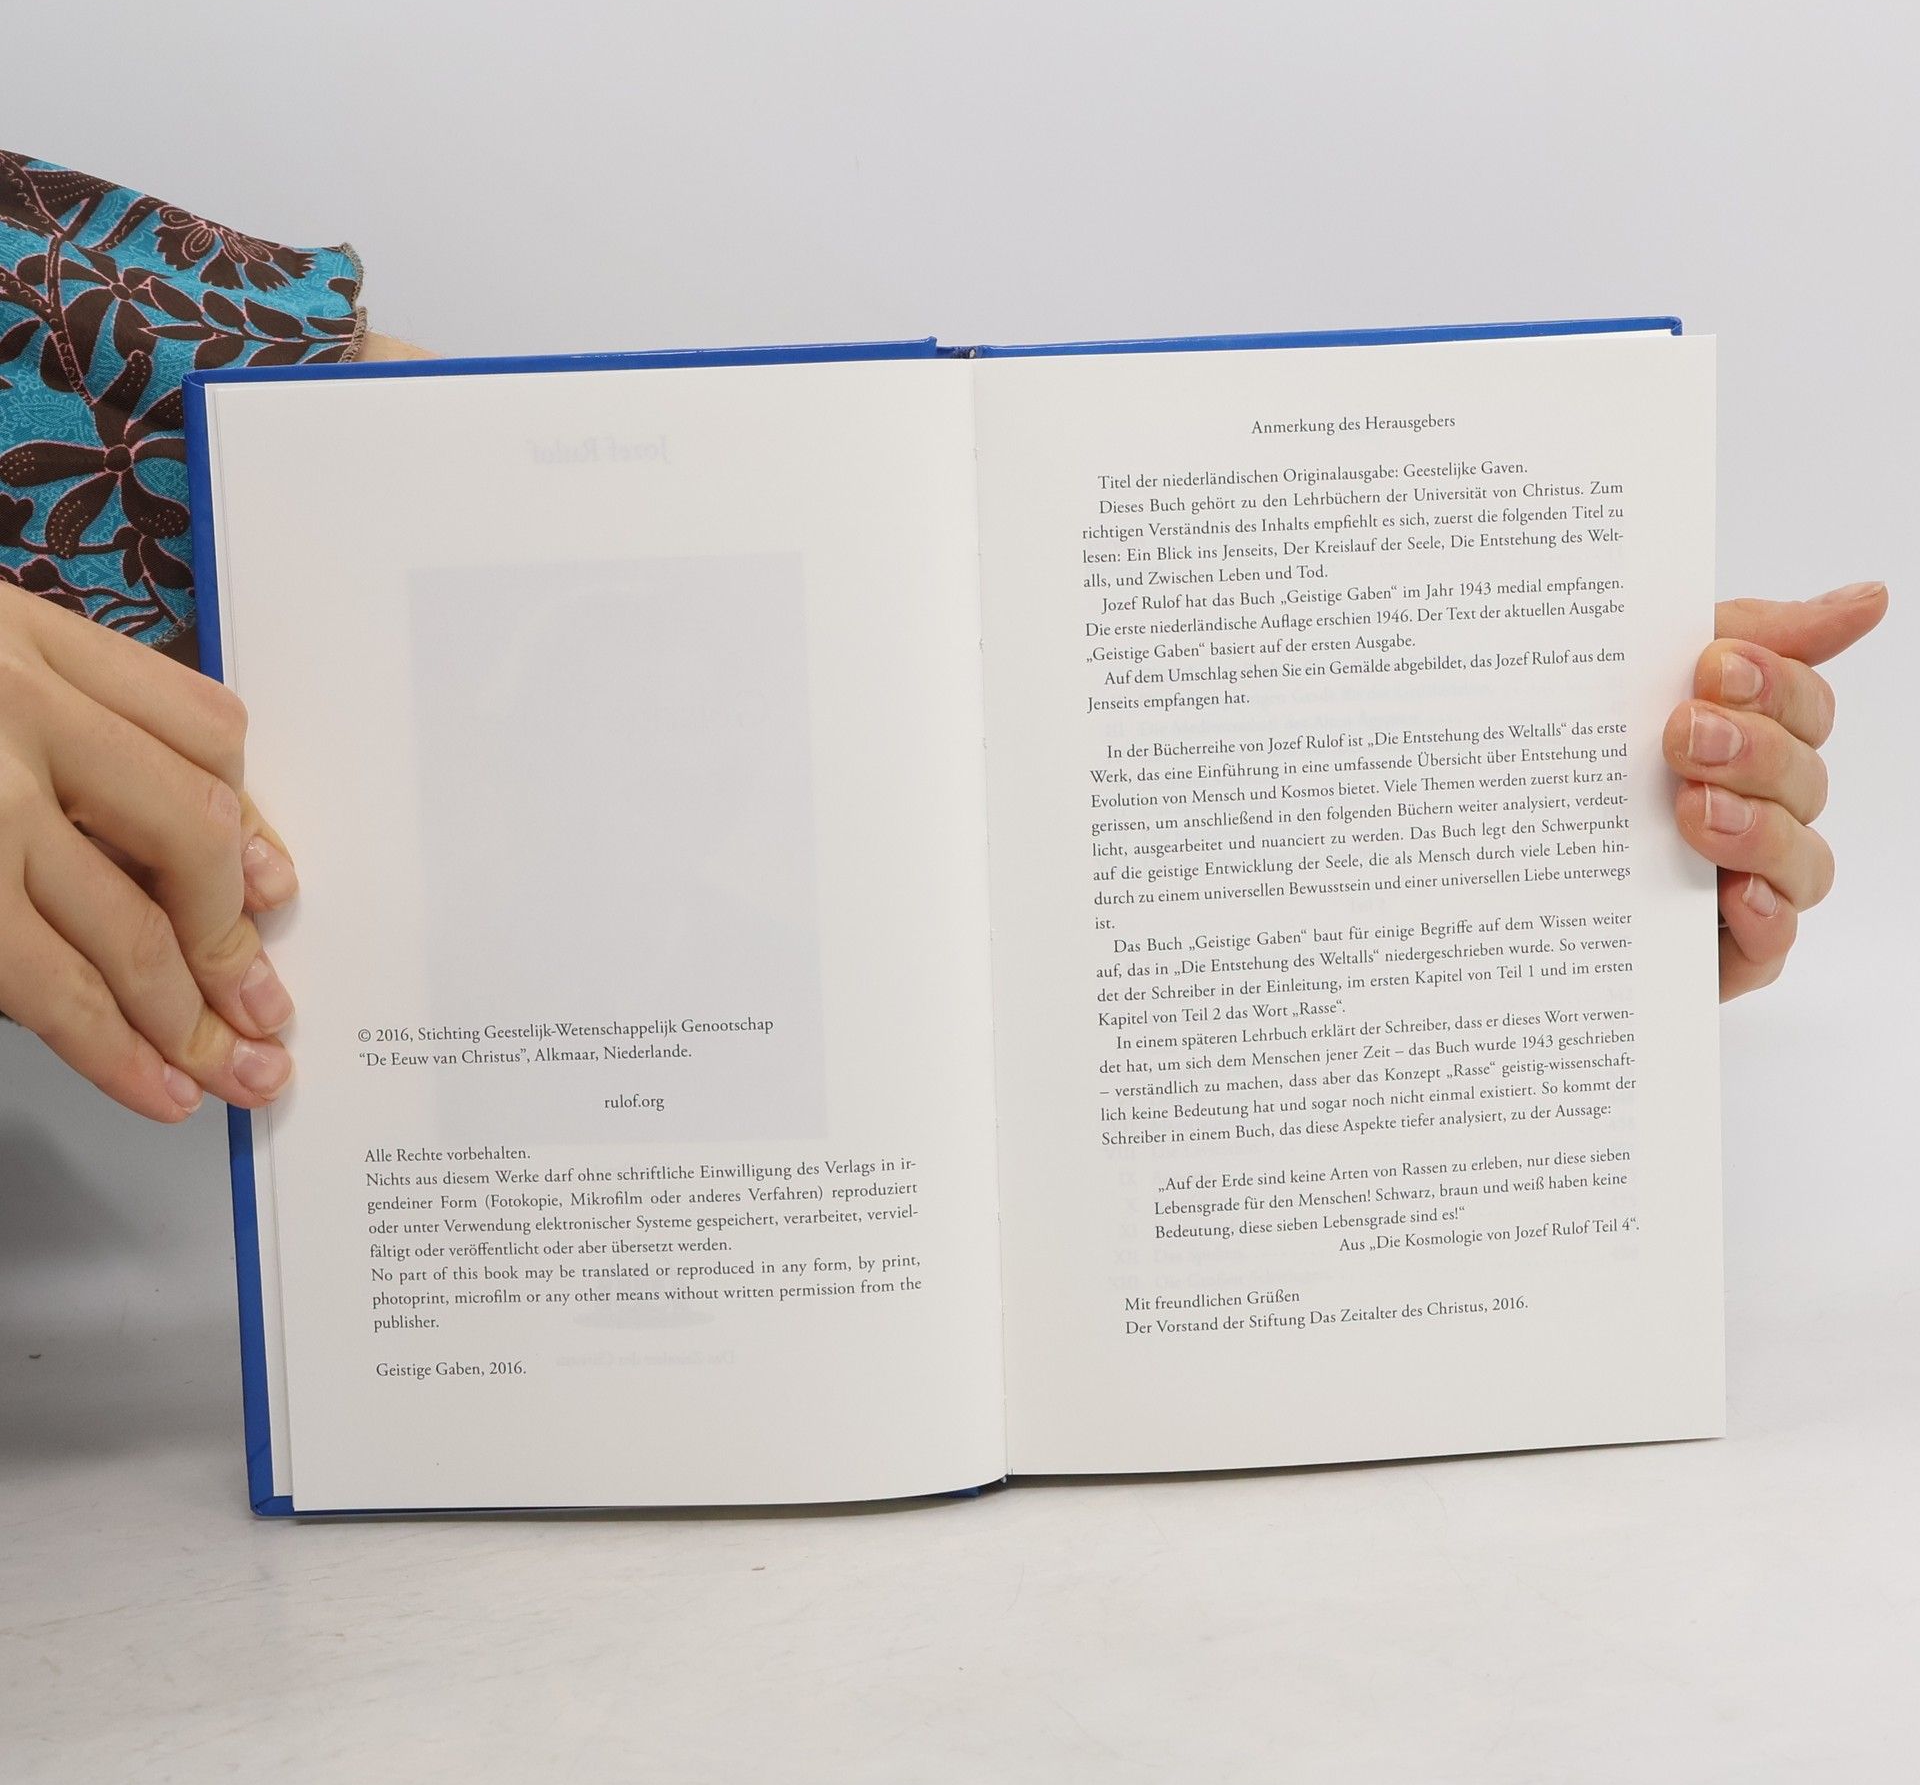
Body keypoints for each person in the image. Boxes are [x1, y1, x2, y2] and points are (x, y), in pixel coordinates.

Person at [0, 152, 1891, 1124]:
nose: (660, 760)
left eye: (691, 725)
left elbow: (413, 479)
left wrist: (1526, 796)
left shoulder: (97, 347)